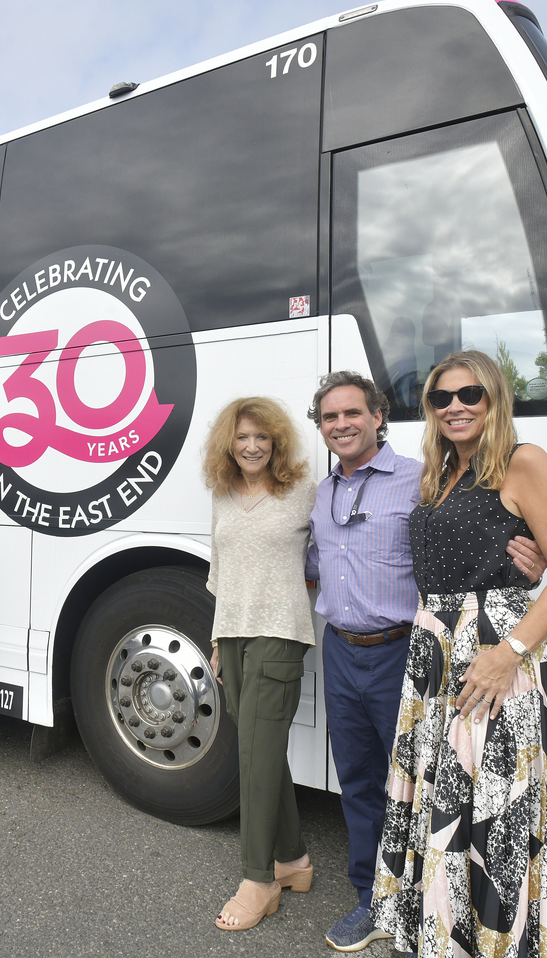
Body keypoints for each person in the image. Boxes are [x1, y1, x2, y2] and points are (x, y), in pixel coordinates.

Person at [370, 350, 547, 957]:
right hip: (436, 653)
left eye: (469, 394)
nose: (455, 406)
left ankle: (500, 941)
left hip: (496, 653)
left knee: (498, 803)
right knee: (450, 795)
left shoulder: (521, 462)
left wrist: (508, 650)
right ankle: (451, 935)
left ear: (494, 399)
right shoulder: (440, 471)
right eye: (441, 398)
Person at [305, 371, 546, 953]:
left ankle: (424, 902)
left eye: (352, 413)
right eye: (330, 417)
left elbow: (471, 539)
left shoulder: (424, 479)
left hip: (405, 654)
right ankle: (372, 898)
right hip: (340, 650)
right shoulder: (321, 493)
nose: (342, 425)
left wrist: (526, 564)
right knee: (358, 781)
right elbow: (310, 561)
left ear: (378, 416)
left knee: (418, 786)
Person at [202, 398, 319, 931]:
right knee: (262, 751)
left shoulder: (302, 492)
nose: (252, 447)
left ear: (277, 442)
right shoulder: (223, 495)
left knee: (254, 755)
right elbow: (220, 574)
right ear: (230, 443)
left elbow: (334, 553)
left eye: (262, 438)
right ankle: (292, 860)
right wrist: (215, 640)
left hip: (280, 634)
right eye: (243, 438)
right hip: (233, 636)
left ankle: (258, 880)